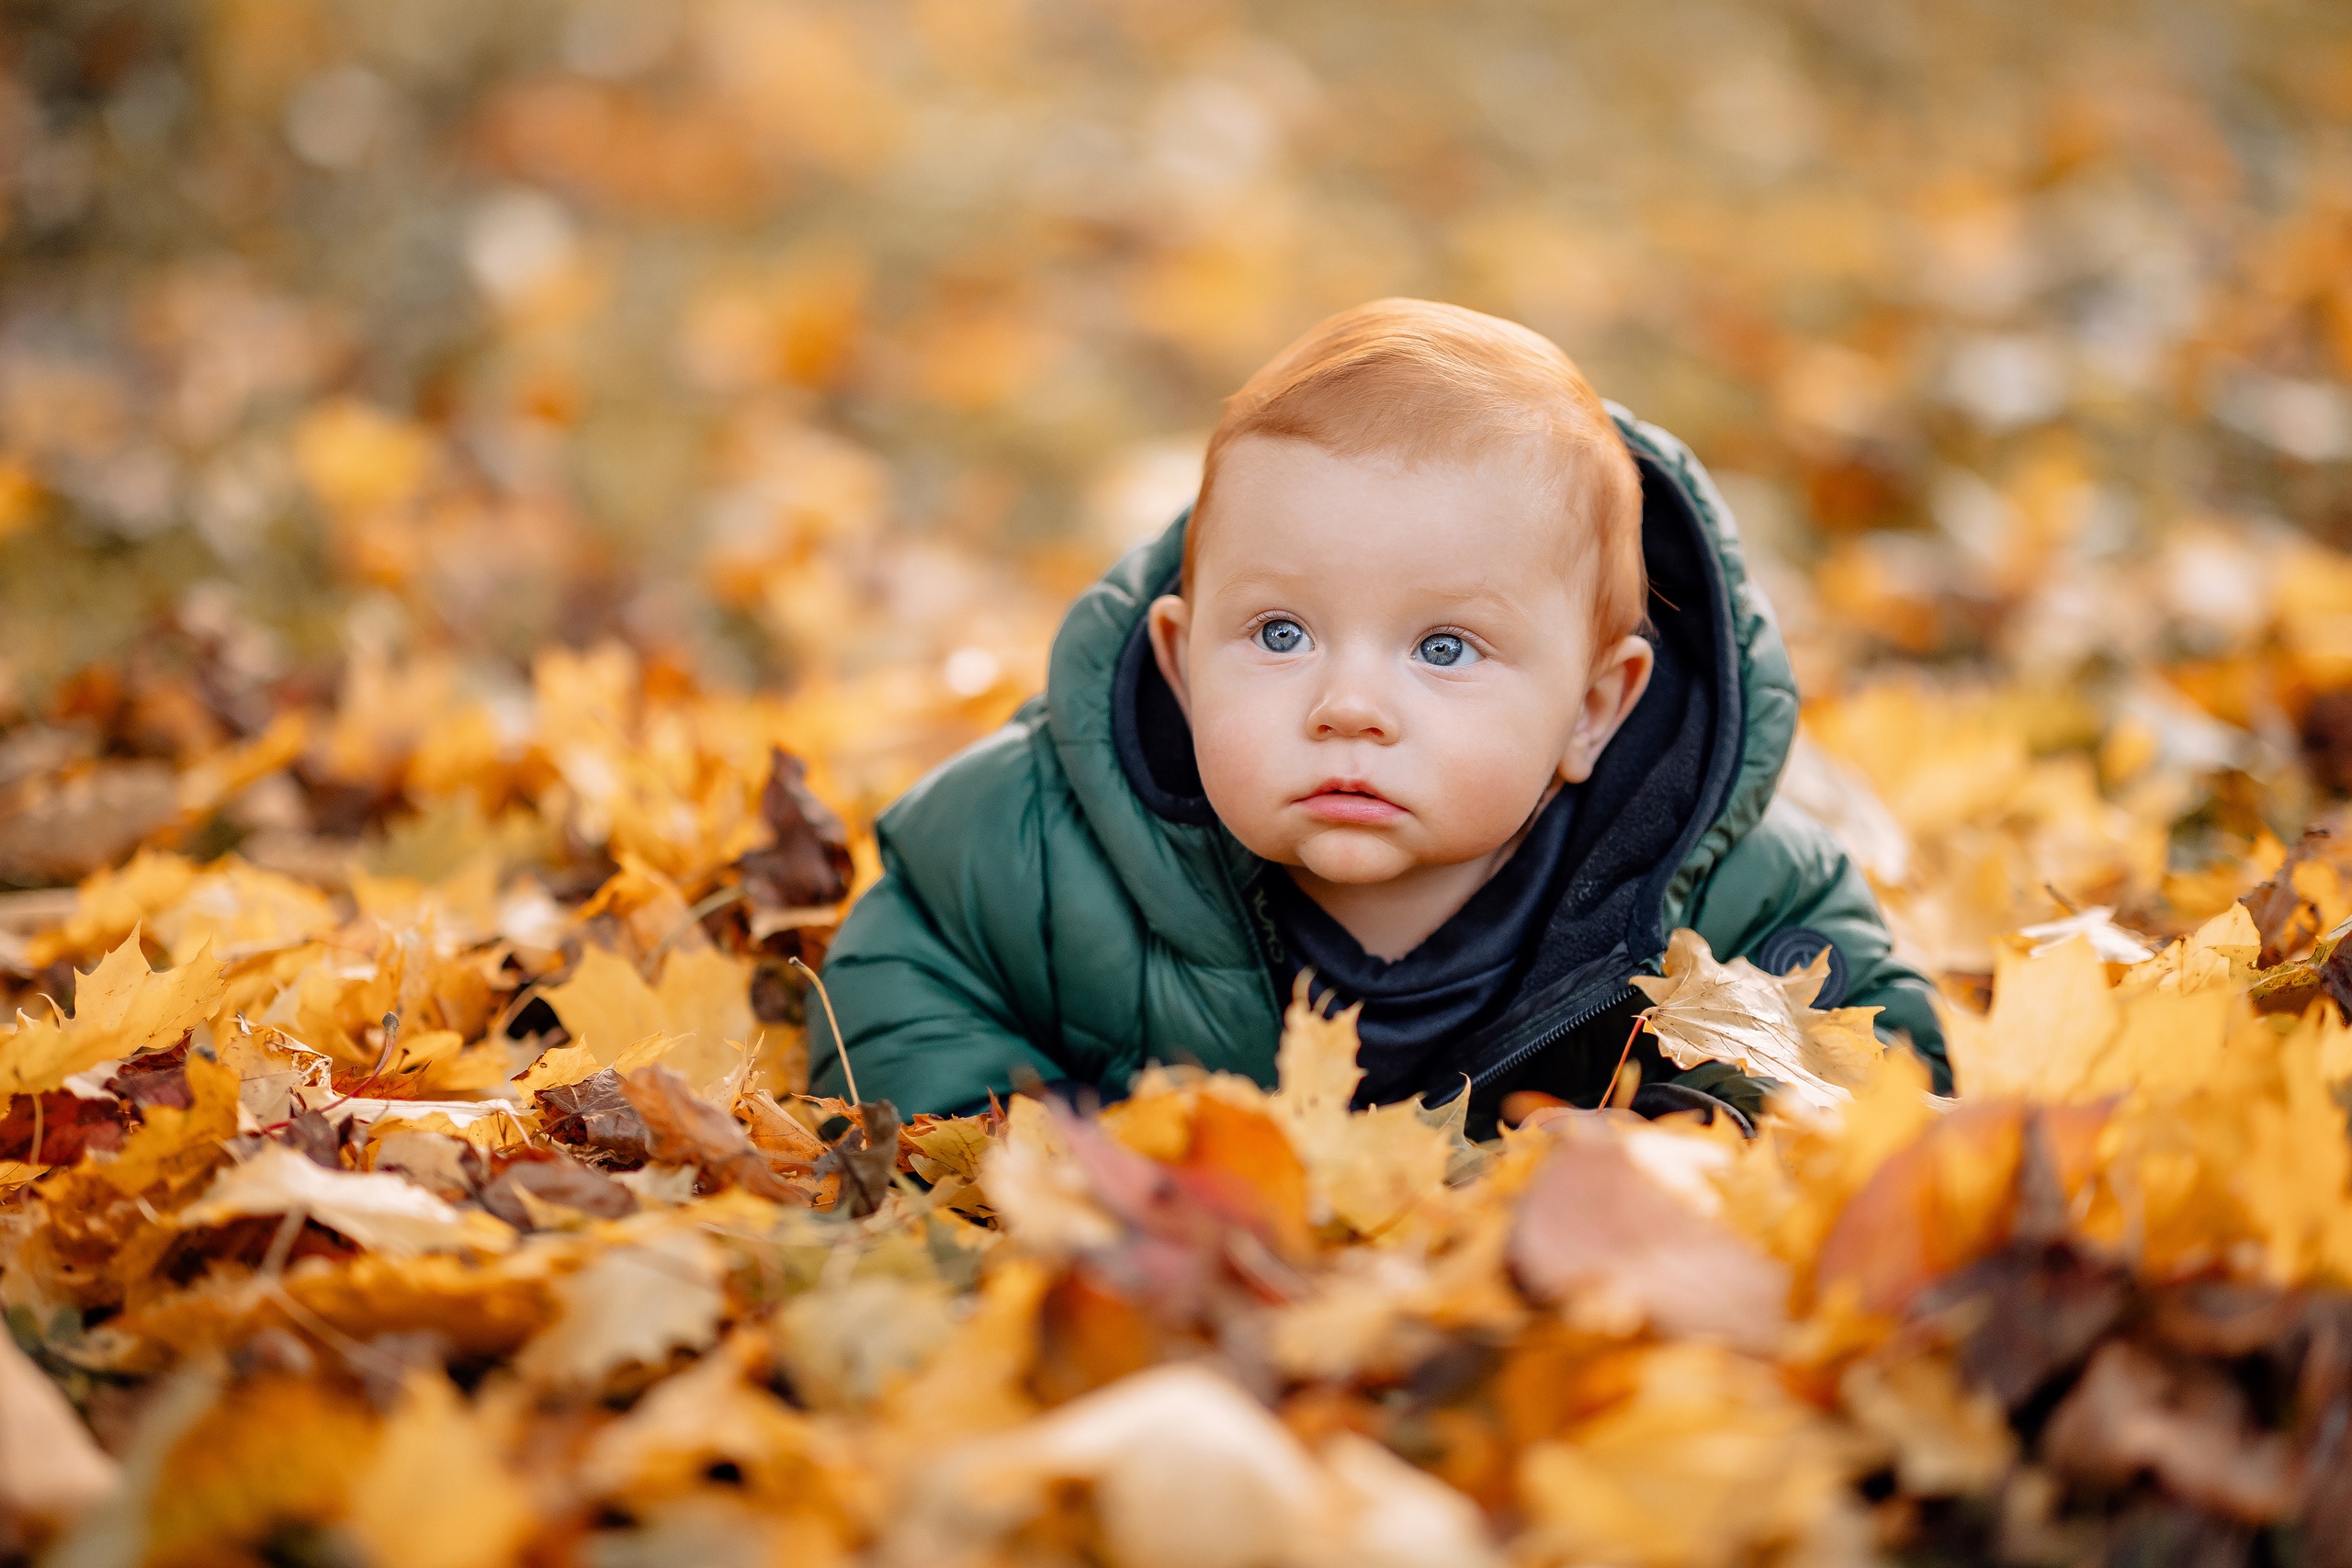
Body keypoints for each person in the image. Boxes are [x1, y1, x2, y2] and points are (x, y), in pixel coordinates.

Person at [813, 299, 1947, 1134]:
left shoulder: (1730, 890)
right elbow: (903, 964)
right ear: (1178, 658)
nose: (1348, 706)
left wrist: (1677, 1154)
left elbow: (1878, 1056)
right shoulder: (1034, 836)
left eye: (1443, 648)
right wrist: (1037, 1144)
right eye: (1279, 635)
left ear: (1591, 712)